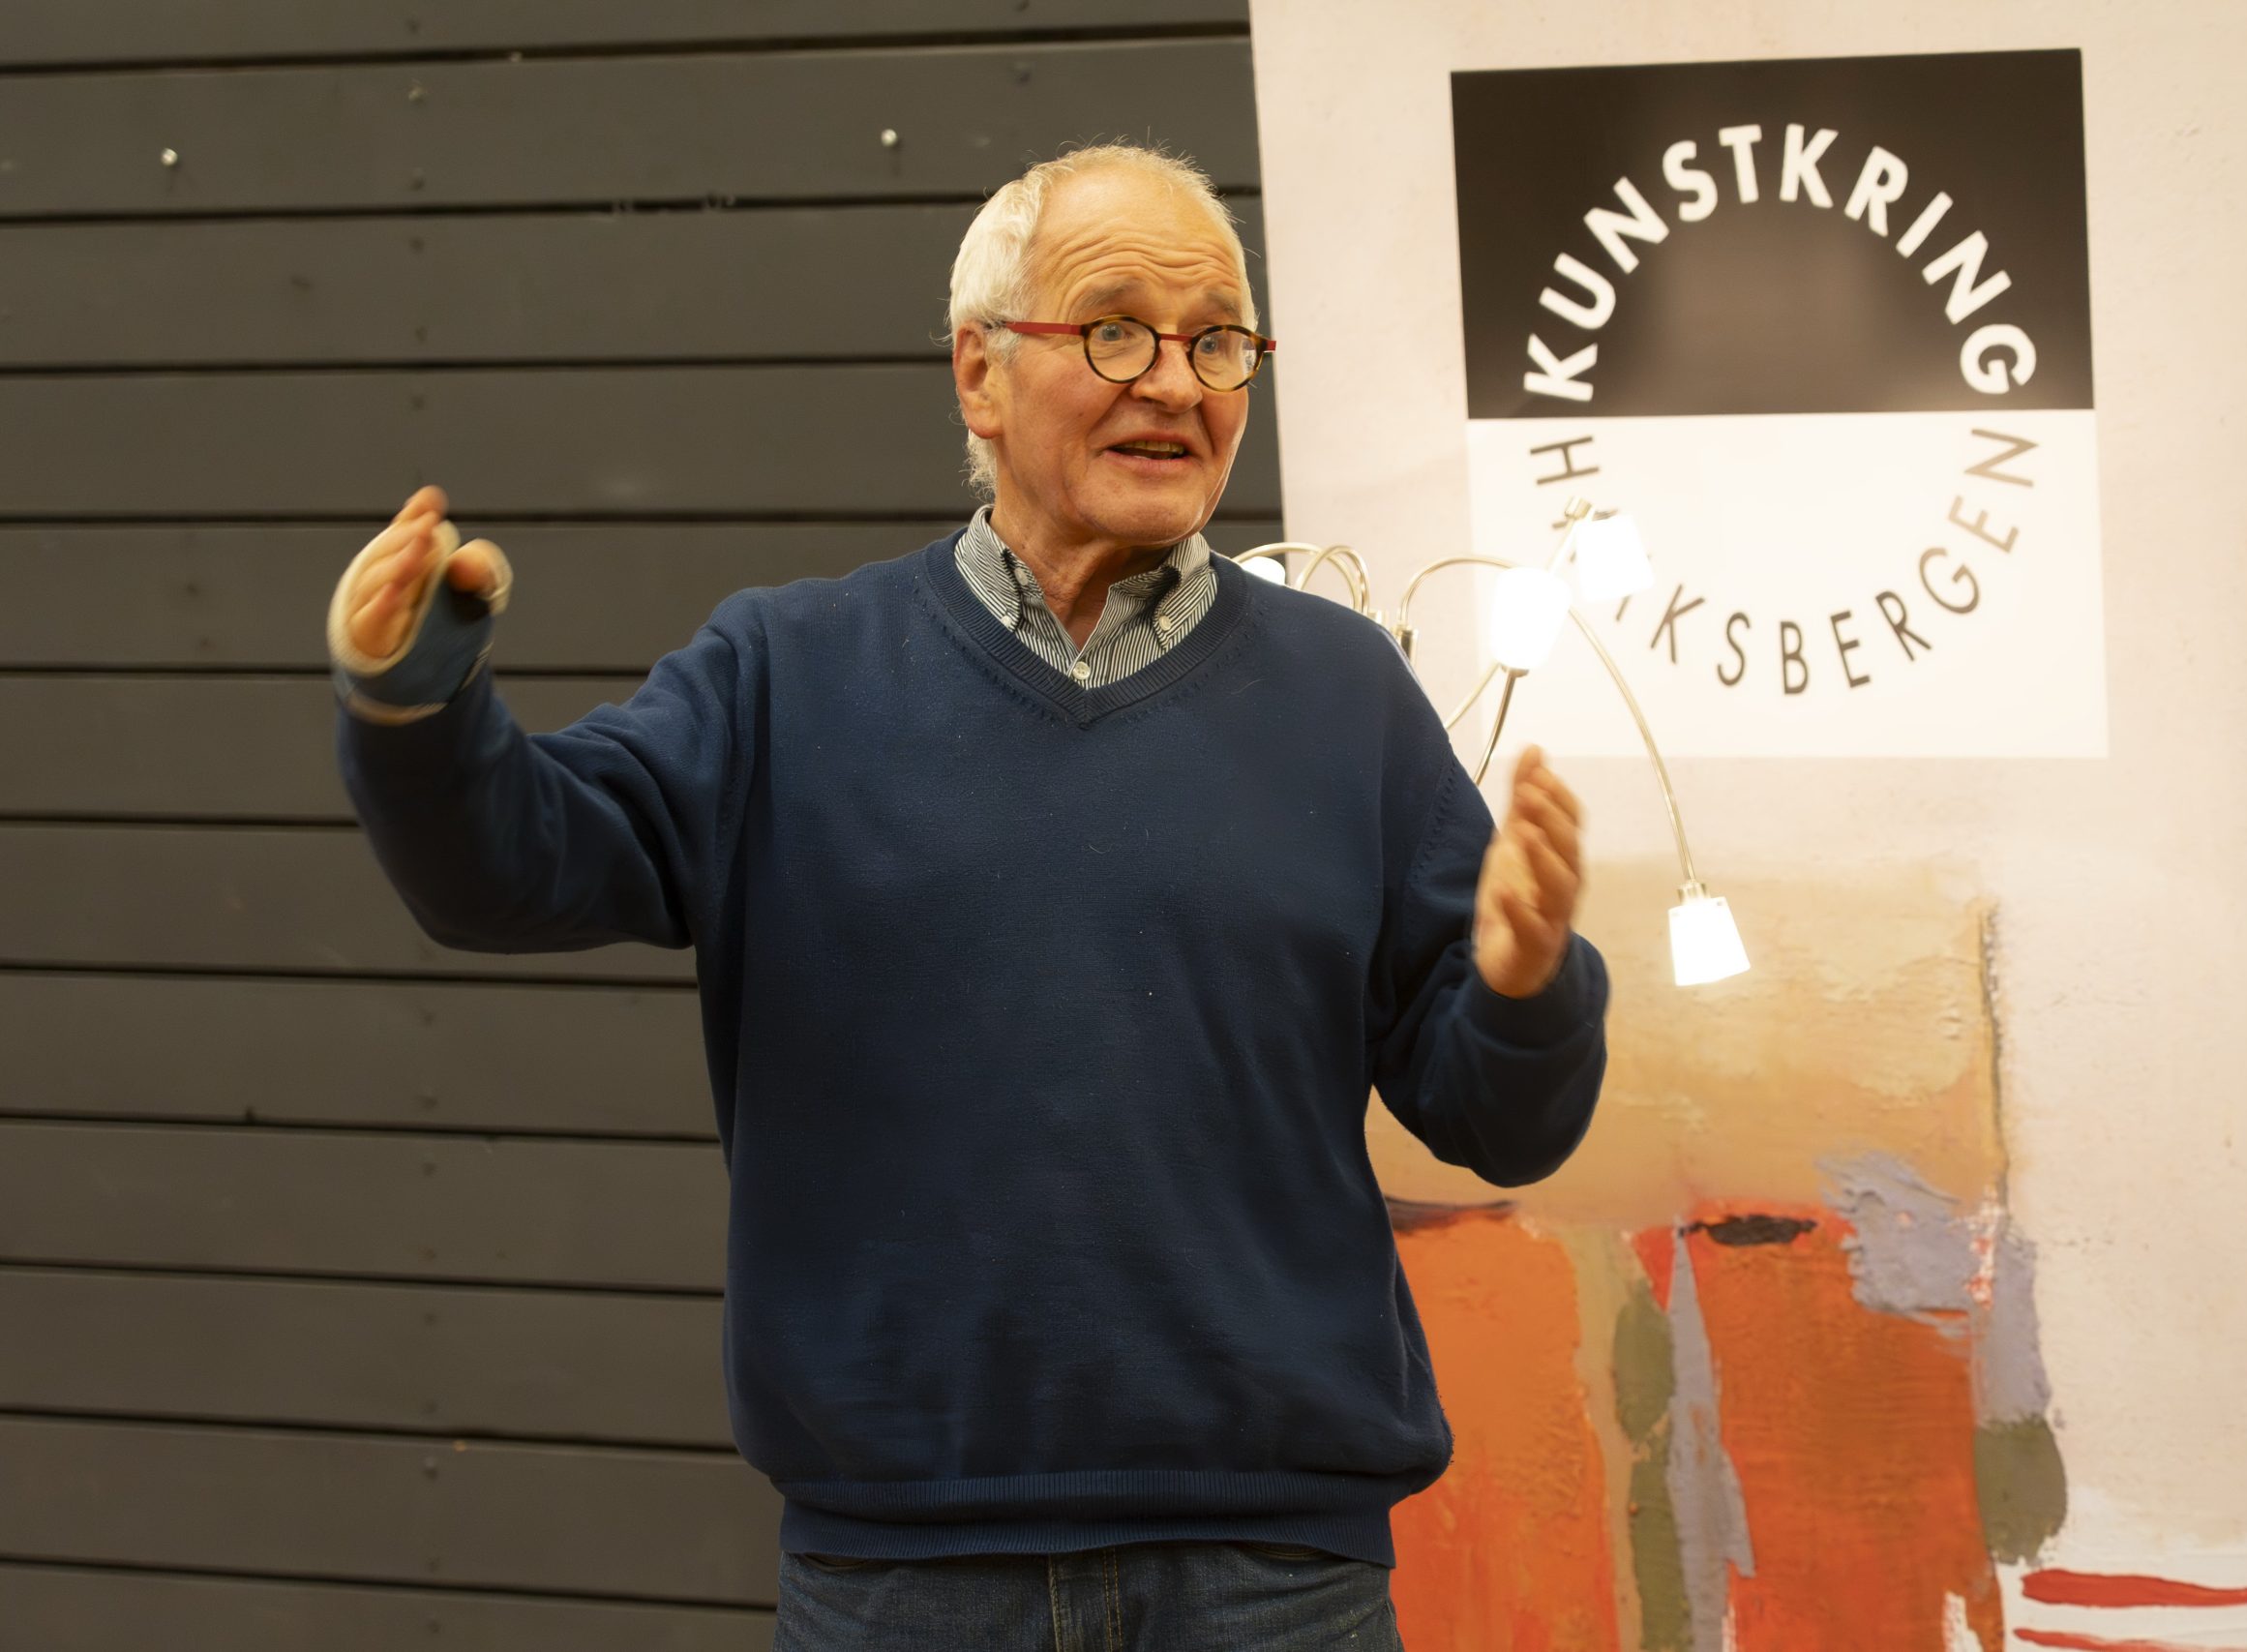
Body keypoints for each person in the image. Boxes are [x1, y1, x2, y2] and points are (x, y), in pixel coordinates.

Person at [327, 143, 1608, 1651]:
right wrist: (416, 704)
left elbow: (1500, 1119)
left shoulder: (1347, 693)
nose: (1175, 382)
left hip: (1275, 1581)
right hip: (904, 1583)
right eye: (1116, 330)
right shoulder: (785, 676)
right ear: (979, 373)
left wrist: (1524, 985)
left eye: (1217, 342)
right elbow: (513, 868)